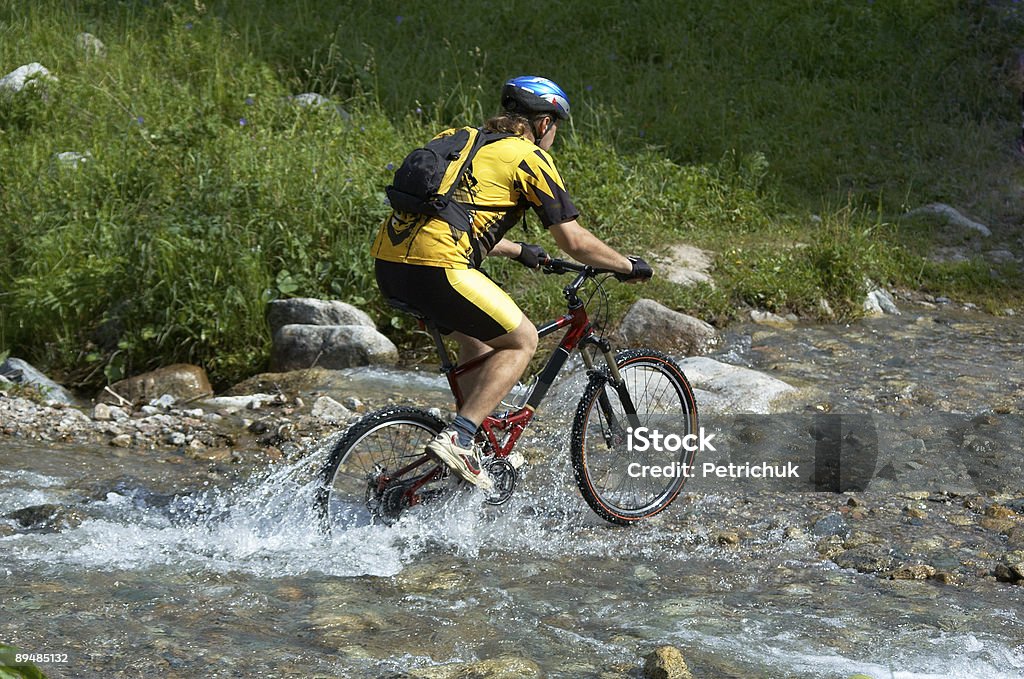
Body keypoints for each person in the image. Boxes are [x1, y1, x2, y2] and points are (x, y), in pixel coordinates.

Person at [371, 75, 652, 490]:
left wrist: (518, 250)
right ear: (543, 123)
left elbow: (450, 213)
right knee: (522, 340)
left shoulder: (459, 138)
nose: (554, 136)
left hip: (390, 265)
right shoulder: (528, 157)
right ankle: (461, 438)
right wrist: (627, 266)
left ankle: (475, 451)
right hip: (439, 269)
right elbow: (573, 240)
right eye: (555, 127)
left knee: (481, 345)